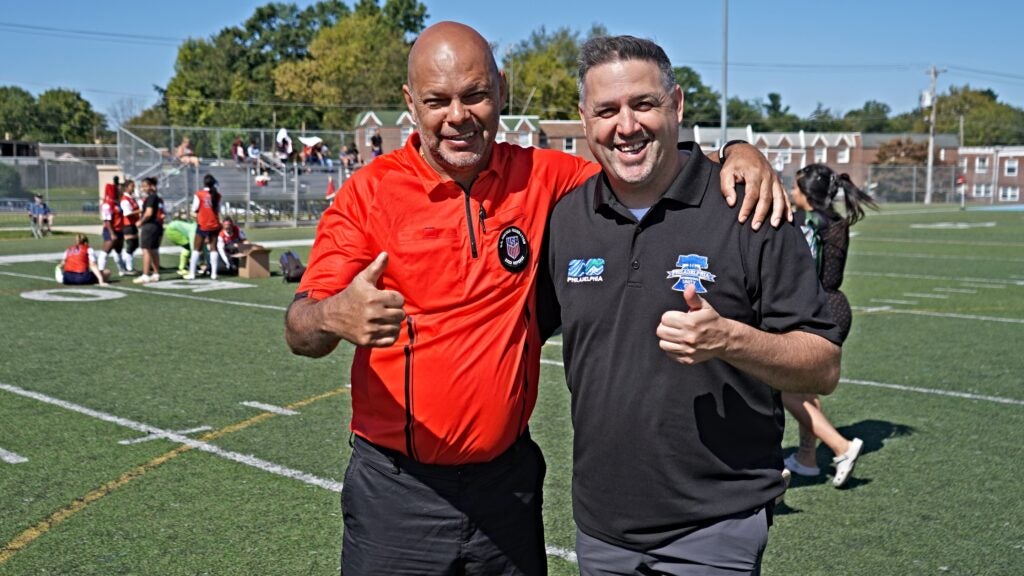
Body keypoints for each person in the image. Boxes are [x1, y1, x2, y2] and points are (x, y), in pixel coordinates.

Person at [284, 21, 788, 576]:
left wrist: (738, 152)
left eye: (475, 94)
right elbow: (300, 328)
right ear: (410, 103)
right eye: (437, 101)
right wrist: (334, 314)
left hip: (509, 487)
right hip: (398, 493)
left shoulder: (546, 176)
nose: (457, 115)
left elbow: (639, 152)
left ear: (500, 89)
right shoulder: (369, 192)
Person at [537, 36, 843, 575]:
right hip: (600, 527)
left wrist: (730, 339)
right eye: (606, 110)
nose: (625, 126)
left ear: (677, 105)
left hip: (714, 526)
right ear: (585, 120)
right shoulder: (567, 219)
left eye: (644, 104)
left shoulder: (749, 207)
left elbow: (822, 364)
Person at [781, 164, 877, 489]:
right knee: (803, 389)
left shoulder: (807, 223)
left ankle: (841, 446)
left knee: (780, 387)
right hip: (836, 305)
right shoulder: (836, 220)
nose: (792, 193)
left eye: (795, 189)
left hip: (816, 310)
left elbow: (799, 269)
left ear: (806, 194)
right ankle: (807, 459)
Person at [184, 174, 222, 280]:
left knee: (197, 248)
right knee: (214, 248)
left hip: (203, 224)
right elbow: (218, 210)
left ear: (204, 183)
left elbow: (195, 208)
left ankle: (192, 273)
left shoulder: (199, 194)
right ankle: (214, 274)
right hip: (214, 224)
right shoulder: (217, 195)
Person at [133, 177, 165, 284]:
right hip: (155, 226)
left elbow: (148, 213)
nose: (143, 188)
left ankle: (145, 275)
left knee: (146, 250)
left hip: (149, 226)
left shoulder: (151, 198)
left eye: (145, 186)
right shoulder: (155, 197)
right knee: (154, 250)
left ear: (151, 186)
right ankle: (156, 274)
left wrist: (140, 222)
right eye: (143, 186)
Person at [98, 177, 127, 277]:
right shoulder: (108, 204)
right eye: (120, 189)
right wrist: (112, 233)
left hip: (119, 230)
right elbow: (107, 221)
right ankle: (100, 270)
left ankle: (122, 269)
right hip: (111, 230)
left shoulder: (118, 203)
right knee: (106, 250)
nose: (122, 191)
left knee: (119, 251)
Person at [119, 179, 141, 275]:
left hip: (133, 224)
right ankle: (128, 268)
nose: (133, 188)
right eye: (132, 186)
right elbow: (127, 213)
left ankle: (124, 266)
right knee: (131, 245)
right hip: (128, 225)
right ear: (127, 187)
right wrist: (140, 211)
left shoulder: (131, 198)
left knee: (135, 245)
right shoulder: (125, 199)